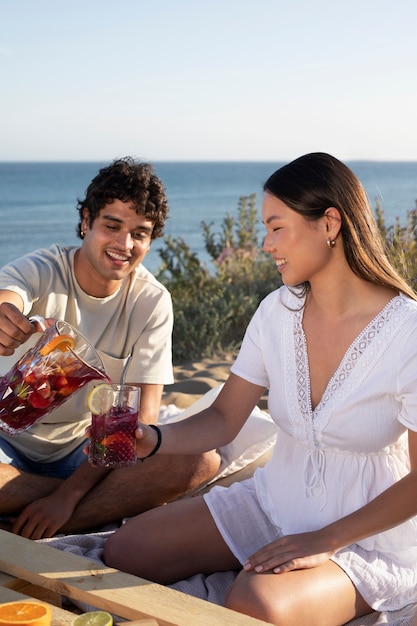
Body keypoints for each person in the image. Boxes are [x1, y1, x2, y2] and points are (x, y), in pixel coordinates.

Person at [103, 153, 417, 625]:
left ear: (329, 223)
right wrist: (155, 440)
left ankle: (310, 582)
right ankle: (272, 567)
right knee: (126, 549)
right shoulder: (277, 312)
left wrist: (325, 539)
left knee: (254, 603)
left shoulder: (407, 332)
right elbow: (225, 417)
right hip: (275, 503)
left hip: (365, 535)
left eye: (277, 227)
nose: (266, 245)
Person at [0, 157, 220, 540]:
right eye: (112, 226)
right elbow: (9, 295)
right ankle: (55, 511)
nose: (124, 245)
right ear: (86, 221)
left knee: (199, 461)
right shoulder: (42, 268)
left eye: (140, 233)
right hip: (7, 445)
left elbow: (141, 427)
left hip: (85, 457)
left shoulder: (151, 302)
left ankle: (44, 514)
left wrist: (69, 495)